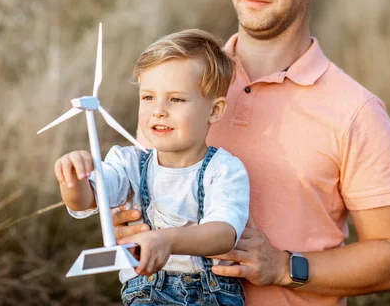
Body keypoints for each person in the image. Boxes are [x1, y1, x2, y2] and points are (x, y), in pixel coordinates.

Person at [113, 0, 390, 305]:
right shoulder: (177, 86)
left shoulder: (355, 111)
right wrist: (128, 223)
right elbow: (139, 196)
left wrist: (286, 267)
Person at [54, 29, 250, 305]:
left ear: (214, 110)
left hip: (211, 295)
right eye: (148, 97)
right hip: (147, 292)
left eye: (176, 99)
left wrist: (168, 240)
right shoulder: (129, 162)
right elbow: (88, 200)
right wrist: (73, 180)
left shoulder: (224, 169)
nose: (158, 110)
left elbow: (223, 233)